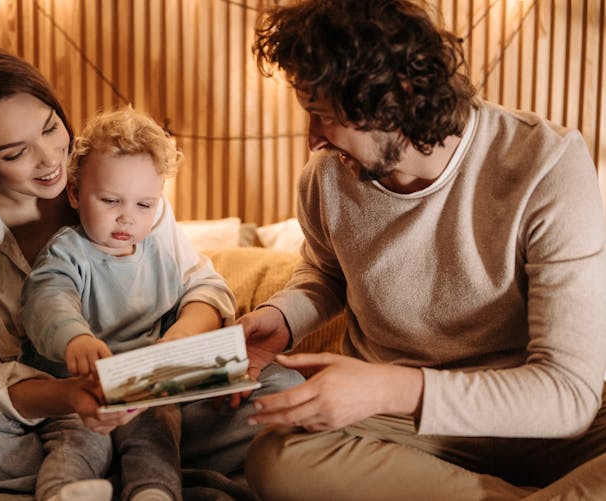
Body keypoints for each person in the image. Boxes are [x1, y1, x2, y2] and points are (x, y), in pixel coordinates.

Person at [0, 45, 303, 501]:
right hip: (58, 410)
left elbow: (201, 286)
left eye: (51, 127)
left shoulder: (119, 181)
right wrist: (74, 395)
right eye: (16, 153)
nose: (51, 158)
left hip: (158, 386)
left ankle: (119, 472)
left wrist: (176, 348)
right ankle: (140, 474)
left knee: (284, 390)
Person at [240, 1, 606, 499]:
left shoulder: (547, 165)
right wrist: (282, 318)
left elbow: (567, 394)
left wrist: (388, 386)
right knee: (277, 461)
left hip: (536, 418)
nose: (313, 141)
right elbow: (326, 272)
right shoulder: (326, 178)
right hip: (404, 427)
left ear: (398, 100)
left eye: (322, 118)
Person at [19, 107, 236, 501]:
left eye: (144, 205)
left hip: (145, 387)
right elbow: (48, 299)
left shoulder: (161, 250)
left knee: (157, 433)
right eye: (110, 200)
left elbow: (206, 291)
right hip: (85, 387)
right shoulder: (68, 253)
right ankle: (62, 493)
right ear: (74, 192)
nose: (127, 218)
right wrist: (75, 339)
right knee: (78, 441)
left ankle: (152, 492)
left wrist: (181, 346)